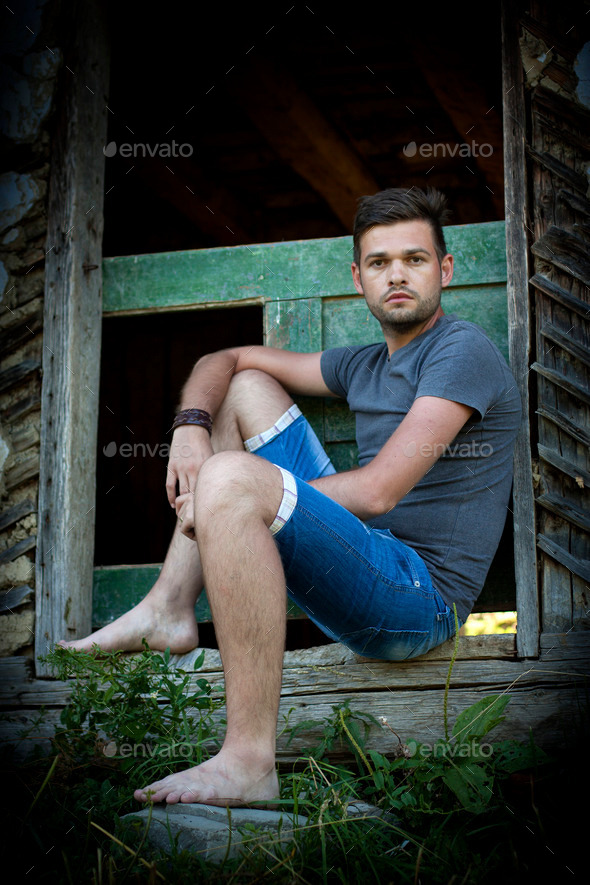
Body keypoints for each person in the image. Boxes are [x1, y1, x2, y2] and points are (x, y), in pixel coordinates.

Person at [61, 187, 521, 807]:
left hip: (418, 601)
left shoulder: (461, 350)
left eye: (415, 259)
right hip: (366, 560)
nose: (398, 275)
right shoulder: (362, 365)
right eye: (380, 263)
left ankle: (249, 762)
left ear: (445, 270)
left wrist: (239, 495)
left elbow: (380, 491)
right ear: (358, 278)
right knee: (243, 387)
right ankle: (169, 607)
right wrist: (191, 425)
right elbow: (224, 357)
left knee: (229, 480)